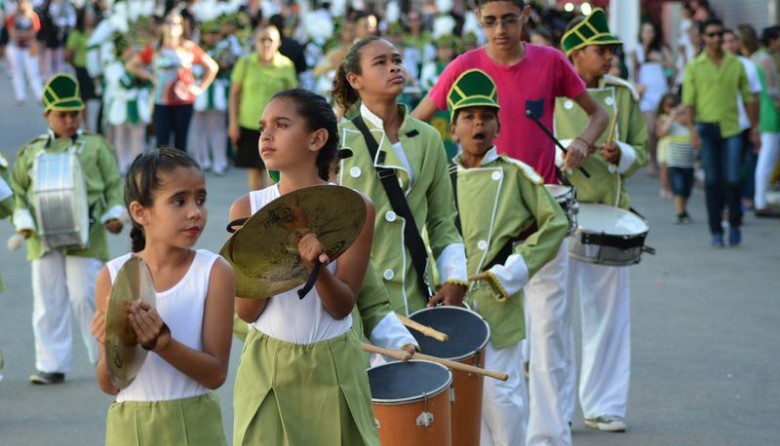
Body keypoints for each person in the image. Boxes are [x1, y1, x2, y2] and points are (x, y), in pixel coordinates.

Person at [412, 3, 608, 444]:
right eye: (490, 20)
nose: (500, 29)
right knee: (490, 351)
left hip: (541, 206)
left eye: (509, 18)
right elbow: (414, 125)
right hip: (478, 213)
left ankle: (551, 437)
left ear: (524, 16)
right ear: (479, 20)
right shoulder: (463, 67)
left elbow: (598, 114)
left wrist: (582, 141)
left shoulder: (552, 60)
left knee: (549, 334)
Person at [230, 89, 380, 445]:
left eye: (281, 125)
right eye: (264, 126)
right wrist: (275, 255)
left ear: (317, 139)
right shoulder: (247, 209)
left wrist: (317, 268)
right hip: (268, 363)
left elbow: (342, 306)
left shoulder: (357, 208)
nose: (266, 135)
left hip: (334, 362)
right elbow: (247, 312)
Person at [448, 69, 569, 445]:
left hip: (497, 298)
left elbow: (555, 224)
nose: (477, 124)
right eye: (468, 117)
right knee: (461, 402)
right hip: (451, 302)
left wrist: (513, 271)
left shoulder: (517, 175)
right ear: (453, 129)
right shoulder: (442, 178)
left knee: (502, 399)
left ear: (499, 126)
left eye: (486, 116)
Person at [90, 147, 235, 446]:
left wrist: (162, 343)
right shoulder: (114, 275)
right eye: (179, 201)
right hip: (130, 428)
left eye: (200, 199)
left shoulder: (213, 271)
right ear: (140, 212)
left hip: (195, 425)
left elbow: (215, 374)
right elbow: (109, 383)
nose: (195, 211)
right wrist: (111, 342)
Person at [556, 9, 648, 432]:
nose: (611, 57)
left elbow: (642, 152)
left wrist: (621, 154)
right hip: (557, 217)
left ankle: (605, 405)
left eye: (612, 49)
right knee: (553, 320)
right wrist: (564, 157)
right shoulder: (552, 94)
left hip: (610, 216)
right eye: (602, 50)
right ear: (576, 54)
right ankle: (556, 408)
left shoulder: (623, 94)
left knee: (609, 317)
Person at [332, 37, 468, 316]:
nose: (394, 68)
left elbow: (442, 218)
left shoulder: (428, 137)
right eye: (380, 63)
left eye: (396, 61)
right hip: (357, 297)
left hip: (413, 292)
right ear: (355, 79)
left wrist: (455, 276)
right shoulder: (336, 139)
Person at [10, 74, 125, 385]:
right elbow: (17, 191)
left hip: (87, 234)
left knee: (86, 296)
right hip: (43, 238)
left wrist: (116, 213)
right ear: (47, 114)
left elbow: (115, 185)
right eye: (63, 114)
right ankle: (51, 364)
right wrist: (23, 220)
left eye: (75, 113)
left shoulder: (97, 147)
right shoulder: (32, 152)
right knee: (48, 299)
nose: (71, 120)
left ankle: (102, 357)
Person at [683, 18, 759, 247]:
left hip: (732, 128)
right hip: (706, 128)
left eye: (719, 34)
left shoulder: (736, 64)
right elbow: (688, 102)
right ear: (704, 38)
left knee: (733, 179)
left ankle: (735, 223)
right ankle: (716, 230)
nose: (716, 39)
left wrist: (754, 128)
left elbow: (748, 97)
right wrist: (691, 130)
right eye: (712, 35)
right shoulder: (695, 66)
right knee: (713, 181)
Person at [125, 12, 218, 154]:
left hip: (184, 101)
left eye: (175, 23)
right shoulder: (155, 48)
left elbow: (212, 67)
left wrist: (200, 88)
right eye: (168, 22)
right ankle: (162, 175)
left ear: (181, 27)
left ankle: (181, 175)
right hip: (161, 101)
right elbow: (131, 65)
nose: (171, 26)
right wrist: (150, 76)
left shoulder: (189, 47)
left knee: (181, 144)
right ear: (162, 26)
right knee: (162, 145)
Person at [228, 25, 297, 191]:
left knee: (275, 172)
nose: (266, 44)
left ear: (278, 43)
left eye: (270, 40)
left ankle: (275, 208)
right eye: (262, 40)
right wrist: (232, 123)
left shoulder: (286, 65)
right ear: (255, 42)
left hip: (277, 128)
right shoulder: (245, 63)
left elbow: (293, 99)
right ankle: (259, 212)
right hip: (250, 124)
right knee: (254, 171)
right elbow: (234, 94)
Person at [740, 24, 780, 218]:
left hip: (765, 113)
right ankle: (760, 201)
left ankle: (759, 199)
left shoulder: (756, 58)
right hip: (770, 114)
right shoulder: (766, 60)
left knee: (766, 158)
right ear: (773, 40)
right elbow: (773, 91)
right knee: (767, 159)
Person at [722, 29, 763, 213]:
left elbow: (755, 97)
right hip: (719, 123)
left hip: (743, 124)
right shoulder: (712, 65)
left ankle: (741, 201)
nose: (730, 45)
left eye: (733, 40)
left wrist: (756, 125)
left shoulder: (747, 65)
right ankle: (728, 205)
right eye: (726, 41)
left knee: (740, 165)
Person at [631, 20, 674, 182]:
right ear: (641, 33)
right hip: (646, 93)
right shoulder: (637, 51)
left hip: (661, 92)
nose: (648, 35)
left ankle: (663, 163)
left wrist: (660, 61)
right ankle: (653, 161)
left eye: (651, 31)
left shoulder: (662, 49)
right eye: (645, 31)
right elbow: (635, 72)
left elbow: (673, 70)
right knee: (649, 129)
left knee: (660, 128)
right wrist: (636, 90)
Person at [190, 20, 233, 175]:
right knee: (198, 127)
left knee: (218, 127)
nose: (213, 37)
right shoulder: (195, 49)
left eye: (215, 33)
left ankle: (219, 161)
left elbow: (227, 64)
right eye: (210, 33)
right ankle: (201, 161)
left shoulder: (225, 47)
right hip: (199, 89)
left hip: (218, 90)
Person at [656, 93, 695, 224]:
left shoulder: (689, 125)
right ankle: (679, 213)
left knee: (687, 189)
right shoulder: (669, 122)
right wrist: (672, 116)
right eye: (668, 106)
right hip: (674, 162)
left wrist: (687, 118)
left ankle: (683, 210)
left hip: (689, 163)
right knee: (678, 188)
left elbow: (697, 141)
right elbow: (661, 133)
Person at [4, 0, 43, 105]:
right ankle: (20, 96)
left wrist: (22, 34)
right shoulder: (12, 17)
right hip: (15, 48)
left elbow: (34, 33)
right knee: (17, 72)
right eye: (20, 2)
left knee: (33, 72)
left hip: (29, 48)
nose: (22, 4)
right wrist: (26, 34)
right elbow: (13, 35)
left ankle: (40, 96)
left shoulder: (33, 16)